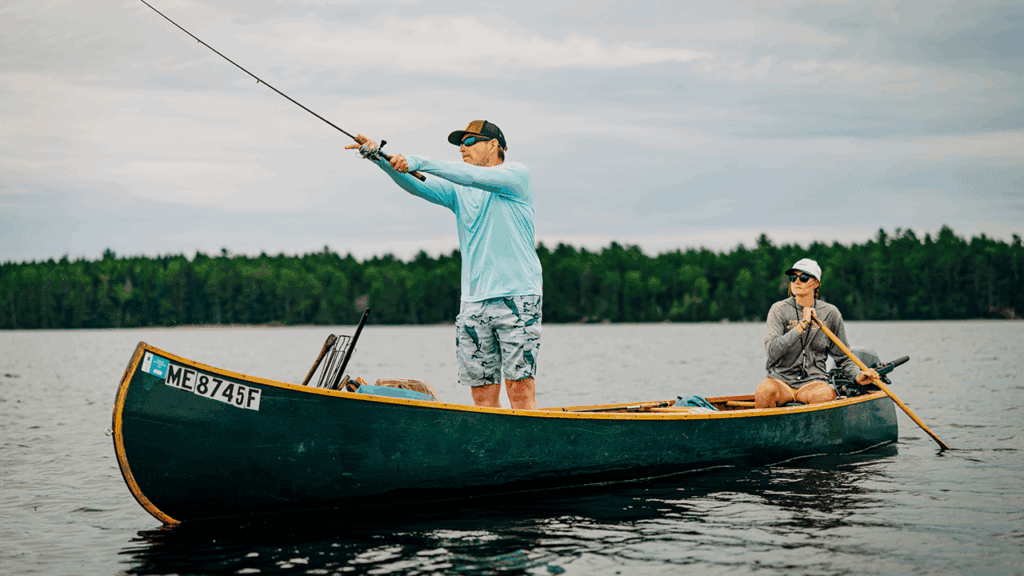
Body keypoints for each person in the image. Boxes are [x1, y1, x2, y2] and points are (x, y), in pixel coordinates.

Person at [346, 120, 542, 410]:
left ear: (494, 145)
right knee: (481, 397)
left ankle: (529, 451)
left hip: (517, 298)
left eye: (471, 141)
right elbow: (415, 184)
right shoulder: (459, 192)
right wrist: (378, 156)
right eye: (460, 143)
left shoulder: (516, 177)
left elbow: (467, 175)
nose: (463, 147)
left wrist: (417, 160)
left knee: (519, 391)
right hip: (473, 304)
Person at [755, 258, 878, 409]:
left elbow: (843, 356)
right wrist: (802, 325)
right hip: (781, 382)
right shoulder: (778, 310)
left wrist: (856, 376)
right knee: (763, 390)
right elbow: (772, 352)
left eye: (804, 278)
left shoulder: (830, 313)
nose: (797, 281)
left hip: (813, 384)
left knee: (825, 395)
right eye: (793, 278)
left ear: (816, 283)